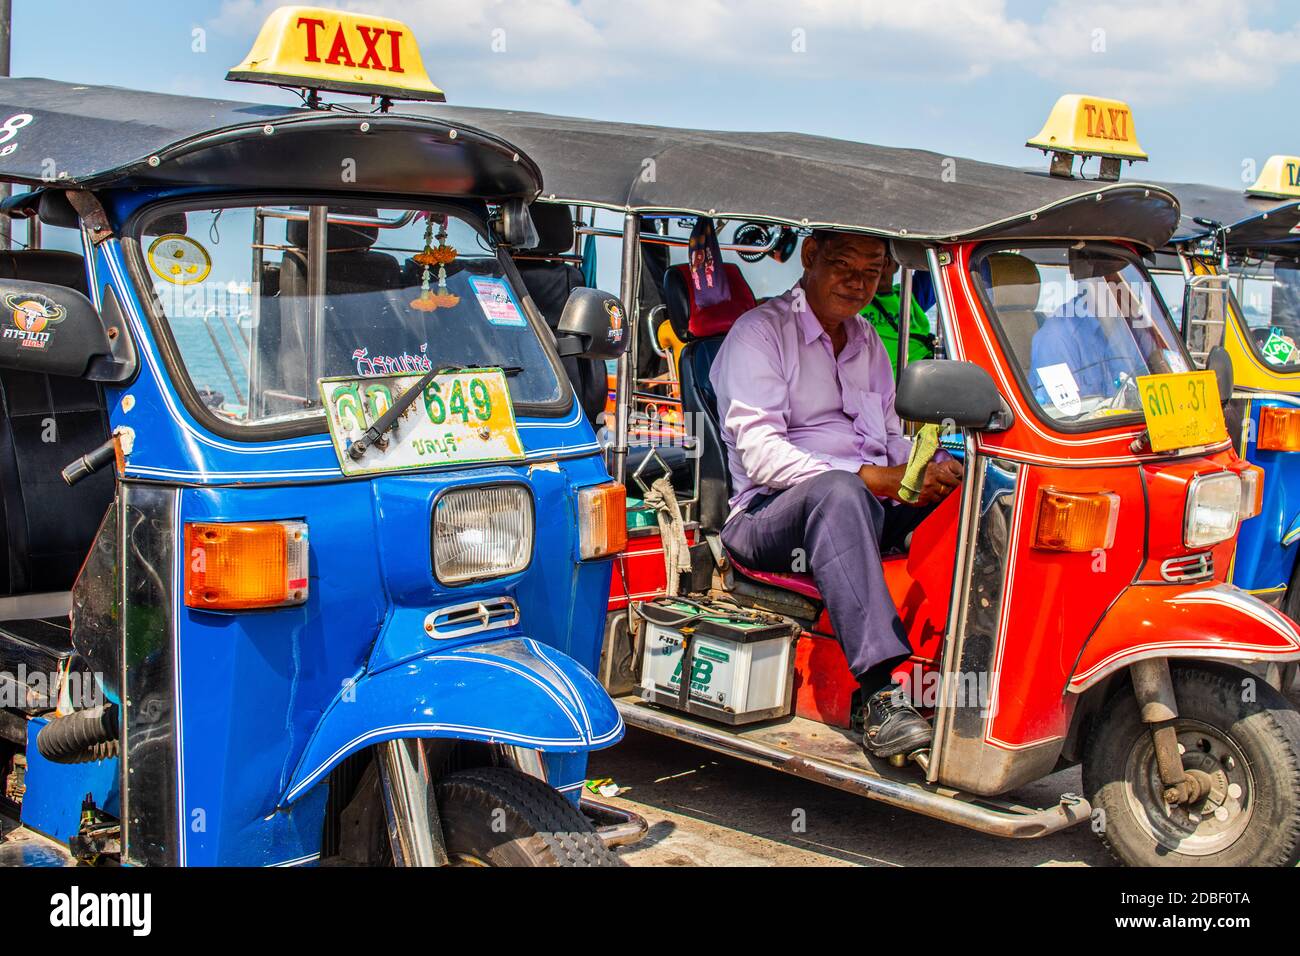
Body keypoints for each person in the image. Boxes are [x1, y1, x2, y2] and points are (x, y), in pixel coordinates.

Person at [711, 230, 964, 758]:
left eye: (871, 273)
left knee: (974, 493)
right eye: (845, 266)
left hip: (863, 502)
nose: (857, 283)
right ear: (810, 258)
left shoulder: (868, 339)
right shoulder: (760, 333)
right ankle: (879, 697)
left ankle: (966, 659)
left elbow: (892, 438)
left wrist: (934, 468)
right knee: (840, 491)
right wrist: (872, 478)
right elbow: (761, 455)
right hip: (766, 516)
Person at [860, 249, 935, 373]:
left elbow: (932, 262)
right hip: (893, 385)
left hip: (929, 371)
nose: (883, 265)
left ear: (897, 264)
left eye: (887, 259)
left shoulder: (909, 294)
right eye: (873, 259)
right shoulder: (853, 301)